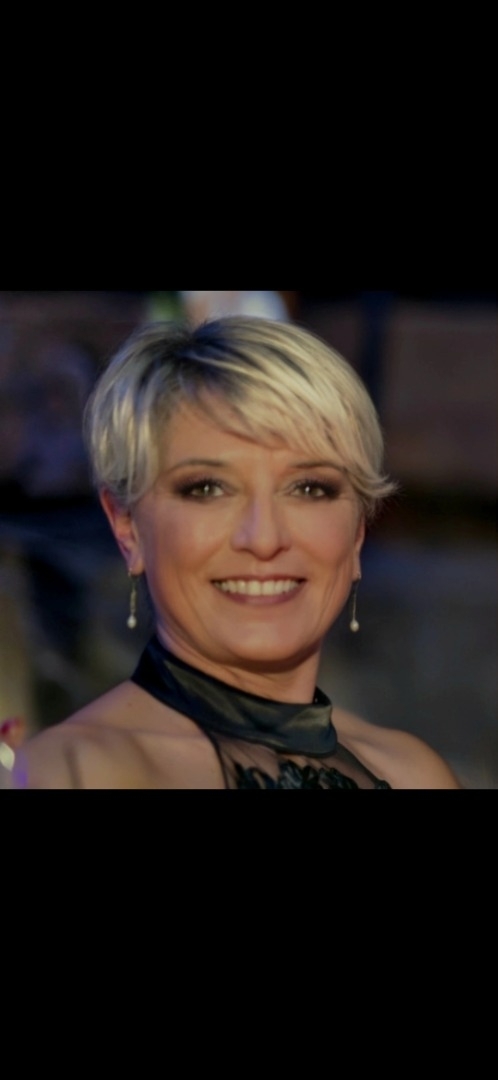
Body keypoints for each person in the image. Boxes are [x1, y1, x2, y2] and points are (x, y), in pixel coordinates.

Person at [12, 316, 461, 789]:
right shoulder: (62, 774)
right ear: (127, 527)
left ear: (357, 534)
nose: (263, 538)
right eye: (208, 488)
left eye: (309, 488)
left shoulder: (415, 775)